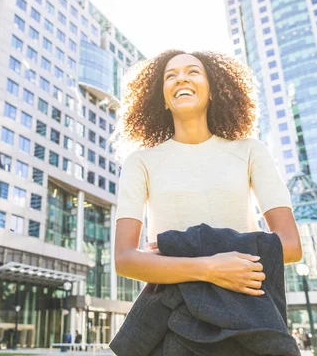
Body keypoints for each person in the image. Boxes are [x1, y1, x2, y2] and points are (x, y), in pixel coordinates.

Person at [113, 50, 302, 299]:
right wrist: (209, 268)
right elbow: (124, 259)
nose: (181, 79)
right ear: (163, 99)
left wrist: (183, 250)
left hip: (247, 304)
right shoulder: (140, 162)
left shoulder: (250, 151)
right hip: (172, 309)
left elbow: (291, 246)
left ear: (213, 91)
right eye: (171, 76)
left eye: (193, 72)